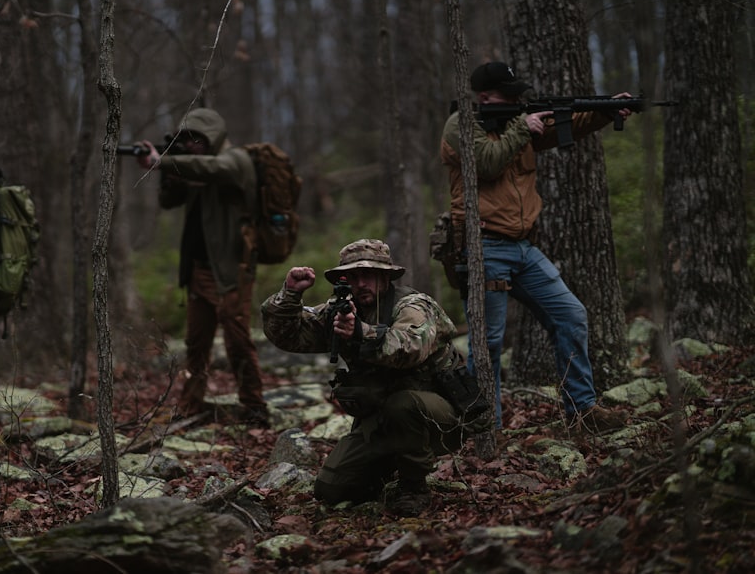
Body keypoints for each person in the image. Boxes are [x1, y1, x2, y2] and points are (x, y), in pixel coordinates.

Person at [440, 61, 629, 434]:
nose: (515, 101)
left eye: (516, 95)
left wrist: (604, 111)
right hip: (483, 250)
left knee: (571, 315)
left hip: (524, 248)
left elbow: (567, 126)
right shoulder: (460, 124)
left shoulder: (515, 123)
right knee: (488, 343)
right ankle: (485, 431)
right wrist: (520, 128)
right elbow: (487, 164)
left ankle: (581, 411)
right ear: (484, 97)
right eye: (507, 96)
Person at [261, 239, 476, 516]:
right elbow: (288, 337)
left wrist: (361, 333)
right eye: (352, 276)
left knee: (402, 404)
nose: (360, 283)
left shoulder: (413, 305)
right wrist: (290, 295)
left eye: (367, 275)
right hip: (383, 422)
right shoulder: (341, 310)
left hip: (441, 420)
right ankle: (387, 468)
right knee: (331, 489)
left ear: (385, 276)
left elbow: (410, 347)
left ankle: (414, 486)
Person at [135, 108, 269, 427]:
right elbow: (169, 202)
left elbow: (214, 168)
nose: (191, 145)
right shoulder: (193, 168)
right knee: (197, 342)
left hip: (231, 269)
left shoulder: (235, 161)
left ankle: (253, 405)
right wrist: (169, 172)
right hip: (197, 270)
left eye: (197, 139)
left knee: (237, 339)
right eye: (186, 140)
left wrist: (162, 161)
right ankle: (191, 403)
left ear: (214, 137)